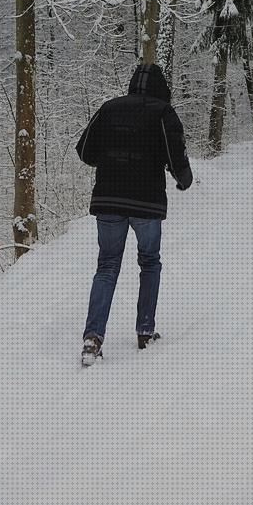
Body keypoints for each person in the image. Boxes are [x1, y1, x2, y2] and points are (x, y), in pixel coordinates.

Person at [75, 63, 193, 366]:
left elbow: (85, 151)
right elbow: (175, 154)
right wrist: (183, 179)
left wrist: (112, 159)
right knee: (150, 262)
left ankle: (92, 339)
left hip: (109, 200)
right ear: (160, 88)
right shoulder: (163, 112)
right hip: (146, 203)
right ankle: (144, 331)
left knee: (107, 266)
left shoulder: (108, 108)